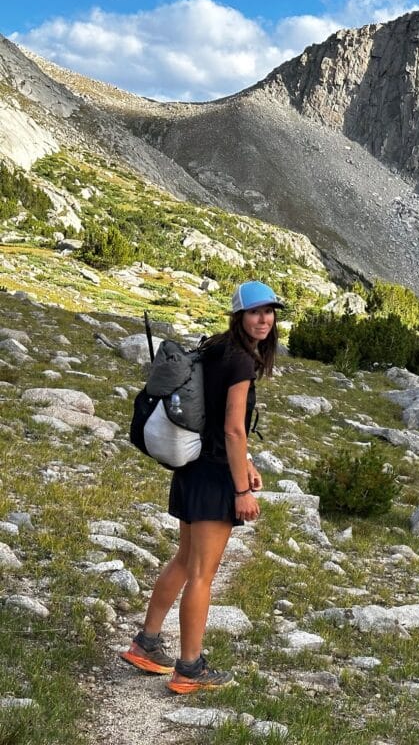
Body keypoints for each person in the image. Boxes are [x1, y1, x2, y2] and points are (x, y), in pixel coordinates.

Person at [119, 280, 282, 693]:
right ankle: (189, 667)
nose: (264, 319)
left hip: (191, 466)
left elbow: (211, 416)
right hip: (213, 476)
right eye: (255, 312)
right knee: (202, 575)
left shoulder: (214, 347)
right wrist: (241, 488)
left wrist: (245, 462)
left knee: (184, 559)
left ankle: (146, 643)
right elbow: (231, 427)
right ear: (239, 315)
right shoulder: (242, 361)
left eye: (269, 311)